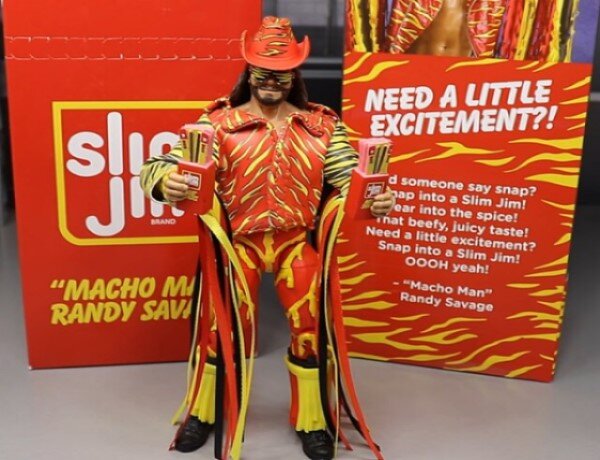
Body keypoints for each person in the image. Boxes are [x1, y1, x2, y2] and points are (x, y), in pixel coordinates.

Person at [141, 16, 394, 460]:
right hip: (239, 243)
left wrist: (372, 196)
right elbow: (164, 163)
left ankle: (312, 420)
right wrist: (166, 182)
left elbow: (345, 174)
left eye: (281, 74)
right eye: (263, 73)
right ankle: (205, 412)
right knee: (220, 328)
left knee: (309, 329)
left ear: (294, 75)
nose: (271, 82)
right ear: (249, 72)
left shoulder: (321, 126)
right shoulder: (219, 123)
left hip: (295, 241)